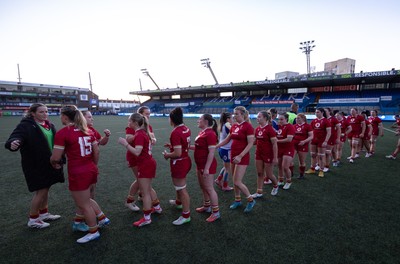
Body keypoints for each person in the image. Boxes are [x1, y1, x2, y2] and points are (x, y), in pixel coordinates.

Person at [50, 105, 109, 244]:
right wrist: (93, 165)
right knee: (87, 199)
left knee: (83, 204)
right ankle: (101, 217)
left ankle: (93, 231)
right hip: (91, 168)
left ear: (64, 116)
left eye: (60, 115)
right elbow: (97, 151)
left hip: (78, 171)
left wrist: (53, 162)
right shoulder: (88, 130)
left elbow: (56, 157)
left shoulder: (63, 132)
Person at [5, 103, 64, 229]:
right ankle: (33, 219)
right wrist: (14, 142)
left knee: (46, 188)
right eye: (41, 112)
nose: (45, 114)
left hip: (49, 163)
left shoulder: (49, 125)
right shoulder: (26, 125)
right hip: (35, 164)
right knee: (41, 190)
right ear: (33, 113)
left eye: (46, 111)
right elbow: (15, 137)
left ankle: (43, 214)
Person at [118, 113, 159, 227]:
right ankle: (157, 207)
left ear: (135, 123)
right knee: (147, 189)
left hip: (145, 164)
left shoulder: (140, 134)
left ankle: (147, 218)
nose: (128, 123)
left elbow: (137, 152)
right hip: (148, 163)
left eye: (129, 121)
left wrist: (125, 144)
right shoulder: (142, 132)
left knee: (145, 193)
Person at [216, 106, 256, 213]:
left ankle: (250, 200)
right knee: (234, 181)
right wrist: (216, 146)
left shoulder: (248, 126)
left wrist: (240, 156)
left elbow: (250, 143)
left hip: (241, 157)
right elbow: (227, 139)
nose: (234, 115)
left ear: (243, 115)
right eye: (234, 113)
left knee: (237, 181)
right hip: (233, 155)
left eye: (237, 114)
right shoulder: (234, 126)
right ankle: (237, 200)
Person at [124, 106, 161, 213]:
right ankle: (133, 200)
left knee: (143, 182)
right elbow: (128, 139)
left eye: (149, 114)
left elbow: (153, 138)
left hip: (143, 157)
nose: (148, 116)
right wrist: (139, 135)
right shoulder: (133, 127)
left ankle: (143, 200)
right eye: (146, 114)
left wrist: (152, 139)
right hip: (135, 156)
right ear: (140, 115)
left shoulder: (147, 127)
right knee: (142, 182)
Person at [163, 107, 192, 225]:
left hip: (179, 162)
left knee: (181, 189)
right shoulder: (186, 128)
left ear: (171, 119)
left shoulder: (175, 132)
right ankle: (179, 203)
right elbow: (183, 145)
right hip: (186, 160)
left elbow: (177, 153)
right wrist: (172, 145)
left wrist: (167, 155)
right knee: (180, 187)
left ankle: (186, 215)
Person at [191, 114, 220, 222]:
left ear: (206, 121)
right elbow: (199, 147)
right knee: (203, 187)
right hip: (200, 165)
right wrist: (186, 146)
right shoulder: (202, 132)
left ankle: (216, 213)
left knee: (209, 188)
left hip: (206, 165)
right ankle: (207, 206)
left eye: (200, 119)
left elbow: (212, 152)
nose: (198, 121)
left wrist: (207, 168)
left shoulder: (211, 134)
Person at [252, 111, 279, 198]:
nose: (257, 118)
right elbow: (255, 141)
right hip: (259, 154)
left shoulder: (270, 129)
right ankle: (259, 192)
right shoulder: (257, 129)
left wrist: (275, 158)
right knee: (260, 173)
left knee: (269, 175)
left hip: (268, 154)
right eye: (257, 116)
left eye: (259, 117)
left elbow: (275, 144)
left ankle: (275, 185)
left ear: (265, 118)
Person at [305, 108, 332, 177]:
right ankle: (312, 168)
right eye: (316, 112)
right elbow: (310, 131)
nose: (316, 113)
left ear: (322, 112)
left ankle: (321, 170)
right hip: (314, 140)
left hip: (322, 141)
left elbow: (329, 132)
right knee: (313, 155)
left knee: (321, 156)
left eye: (318, 112)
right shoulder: (314, 121)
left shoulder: (326, 121)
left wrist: (326, 141)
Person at [214, 112, 234, 191]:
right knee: (227, 169)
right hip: (226, 149)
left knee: (226, 167)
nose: (233, 119)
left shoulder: (223, 124)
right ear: (228, 119)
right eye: (232, 118)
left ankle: (218, 180)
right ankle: (225, 186)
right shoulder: (227, 124)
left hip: (222, 149)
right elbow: (233, 130)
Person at [276, 113, 295, 189]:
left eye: (281, 119)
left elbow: (289, 139)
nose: (280, 121)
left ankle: (288, 181)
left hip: (288, 149)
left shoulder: (290, 127)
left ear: (286, 119)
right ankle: (280, 180)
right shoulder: (278, 126)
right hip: (279, 148)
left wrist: (277, 141)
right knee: (279, 166)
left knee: (285, 167)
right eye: (279, 119)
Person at [292, 113, 313, 179]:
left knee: (301, 161)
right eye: (296, 118)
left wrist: (304, 141)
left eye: (298, 118)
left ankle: (301, 174)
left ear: (303, 119)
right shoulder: (294, 126)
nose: (297, 119)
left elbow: (311, 136)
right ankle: (290, 173)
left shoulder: (307, 126)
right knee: (290, 160)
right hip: (294, 145)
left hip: (303, 145)